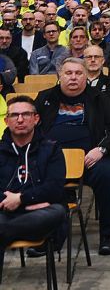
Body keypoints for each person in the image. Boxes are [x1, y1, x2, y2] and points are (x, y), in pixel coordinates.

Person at [36, 58, 110, 255]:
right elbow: (33, 131)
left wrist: (100, 150)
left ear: (85, 77)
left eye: (78, 73)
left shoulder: (99, 99)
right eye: (68, 73)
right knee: (32, 179)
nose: (73, 78)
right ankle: (46, 237)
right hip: (53, 162)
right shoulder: (44, 98)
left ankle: (108, 234)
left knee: (107, 176)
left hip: (88, 159)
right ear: (59, 75)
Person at [0, 95, 67, 250]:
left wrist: (21, 199)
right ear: (6, 121)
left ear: (36, 119)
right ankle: (11, 232)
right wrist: (10, 202)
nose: (20, 120)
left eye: (26, 114)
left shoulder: (51, 149)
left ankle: (5, 233)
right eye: (15, 115)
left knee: (57, 212)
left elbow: (54, 188)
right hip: (6, 211)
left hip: (39, 213)